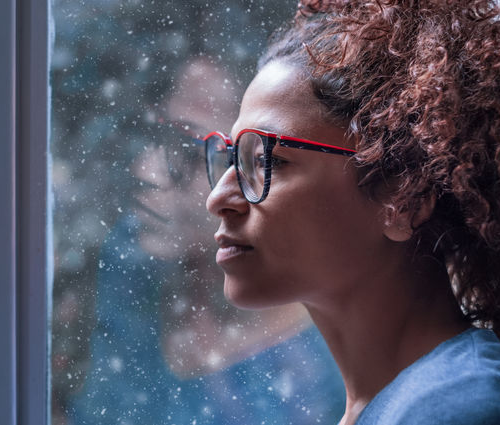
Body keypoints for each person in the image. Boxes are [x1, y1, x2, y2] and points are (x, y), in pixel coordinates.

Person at [203, 0, 500, 424]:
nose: (218, 199)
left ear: (404, 197)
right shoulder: (408, 402)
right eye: (231, 159)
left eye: (267, 161)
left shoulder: (461, 405)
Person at [66, 59, 345, 424]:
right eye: (157, 141)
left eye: (189, 155)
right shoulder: (130, 264)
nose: (146, 171)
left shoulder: (322, 362)